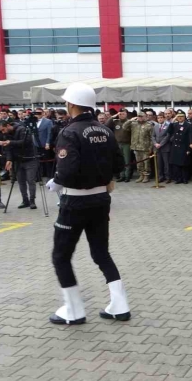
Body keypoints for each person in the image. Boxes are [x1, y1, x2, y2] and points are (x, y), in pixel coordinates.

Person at [45, 83, 130, 325]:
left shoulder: (69, 132)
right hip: (101, 199)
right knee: (101, 253)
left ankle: (73, 310)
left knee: (60, 256)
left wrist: (56, 182)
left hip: (75, 202)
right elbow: (118, 165)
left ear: (71, 104)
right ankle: (120, 305)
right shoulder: (105, 130)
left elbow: (68, 170)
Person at [0, 121, 39, 209]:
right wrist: (9, 159)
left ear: (8, 125)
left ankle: (32, 200)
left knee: (30, 180)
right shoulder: (6, 135)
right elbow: (8, 148)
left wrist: (10, 142)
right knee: (21, 181)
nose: (3, 132)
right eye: (1, 131)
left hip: (29, 158)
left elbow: (25, 142)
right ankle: (25, 200)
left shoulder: (22, 129)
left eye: (3, 130)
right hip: (17, 160)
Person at [126, 111, 154, 183]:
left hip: (145, 147)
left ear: (145, 117)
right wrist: (130, 120)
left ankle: (146, 176)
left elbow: (152, 137)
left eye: (142, 116)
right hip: (136, 147)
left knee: (146, 163)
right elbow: (124, 127)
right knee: (138, 163)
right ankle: (141, 175)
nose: (140, 118)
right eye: (139, 116)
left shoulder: (149, 125)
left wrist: (151, 147)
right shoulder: (133, 124)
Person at [167, 110, 192, 184]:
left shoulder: (188, 125)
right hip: (175, 147)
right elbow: (169, 131)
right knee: (176, 164)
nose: (180, 118)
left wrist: (189, 149)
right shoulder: (174, 125)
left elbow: (190, 137)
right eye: (178, 117)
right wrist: (172, 121)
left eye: (181, 117)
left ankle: (185, 179)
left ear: (184, 117)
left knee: (184, 164)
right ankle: (178, 178)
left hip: (184, 146)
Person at [106, 109, 132, 182]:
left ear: (126, 114)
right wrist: (113, 116)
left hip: (126, 144)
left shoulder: (129, 122)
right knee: (120, 160)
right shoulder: (116, 122)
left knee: (127, 161)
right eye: (120, 114)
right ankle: (122, 175)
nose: (121, 115)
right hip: (118, 144)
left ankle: (127, 176)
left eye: (123, 114)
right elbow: (107, 124)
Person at [152, 113, 172, 183]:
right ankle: (161, 177)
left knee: (166, 164)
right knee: (159, 164)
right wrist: (155, 143)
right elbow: (153, 136)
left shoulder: (168, 126)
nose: (160, 119)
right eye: (158, 118)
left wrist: (161, 144)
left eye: (161, 118)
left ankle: (168, 177)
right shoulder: (155, 126)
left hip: (165, 147)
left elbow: (168, 136)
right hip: (157, 148)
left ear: (164, 118)